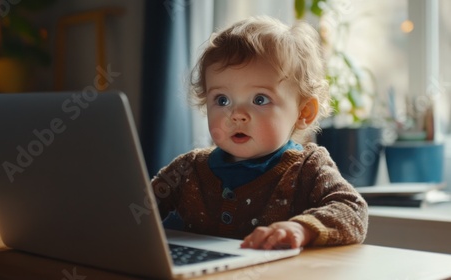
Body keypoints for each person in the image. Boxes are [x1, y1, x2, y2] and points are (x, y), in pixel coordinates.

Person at [151, 16, 368, 250]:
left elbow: (352, 210)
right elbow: (136, 208)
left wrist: (302, 228)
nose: (236, 114)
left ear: (303, 111)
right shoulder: (188, 169)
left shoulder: (309, 168)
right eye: (222, 100)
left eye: (260, 99)